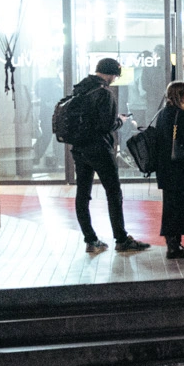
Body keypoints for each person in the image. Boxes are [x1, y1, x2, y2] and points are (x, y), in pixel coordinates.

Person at [60, 58, 148, 253]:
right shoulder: (104, 93)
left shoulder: (81, 89)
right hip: (100, 149)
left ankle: (90, 240)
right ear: (111, 74)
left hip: (79, 148)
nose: (115, 80)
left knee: (83, 194)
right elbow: (107, 125)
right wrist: (121, 121)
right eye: (116, 75)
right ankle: (121, 239)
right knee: (113, 193)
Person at [152, 81, 184, 259]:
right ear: (181, 96)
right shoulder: (181, 115)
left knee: (171, 207)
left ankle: (173, 244)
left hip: (166, 168)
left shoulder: (163, 113)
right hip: (180, 169)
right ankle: (175, 247)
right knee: (179, 207)